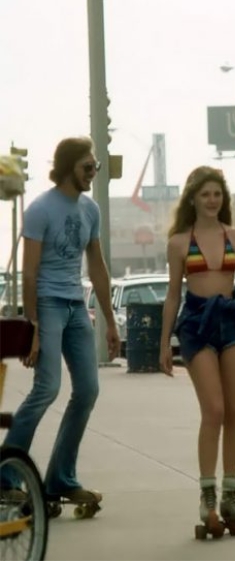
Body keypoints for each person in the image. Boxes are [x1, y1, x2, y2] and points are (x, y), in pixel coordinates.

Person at [1, 136, 120, 512]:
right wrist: (33, 324)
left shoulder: (90, 210)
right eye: (88, 167)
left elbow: (97, 267)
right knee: (47, 388)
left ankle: (60, 480)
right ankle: (5, 478)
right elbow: (30, 272)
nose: (93, 173)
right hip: (49, 305)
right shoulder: (40, 209)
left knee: (87, 390)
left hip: (75, 306)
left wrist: (110, 321)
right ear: (68, 166)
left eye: (96, 167)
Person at [159, 166, 235, 539]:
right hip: (195, 325)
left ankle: (230, 495)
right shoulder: (178, 242)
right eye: (205, 194)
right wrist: (163, 343)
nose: (211, 200)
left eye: (217, 194)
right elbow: (173, 294)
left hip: (233, 323)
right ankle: (207, 496)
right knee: (215, 410)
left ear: (224, 199)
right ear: (193, 198)